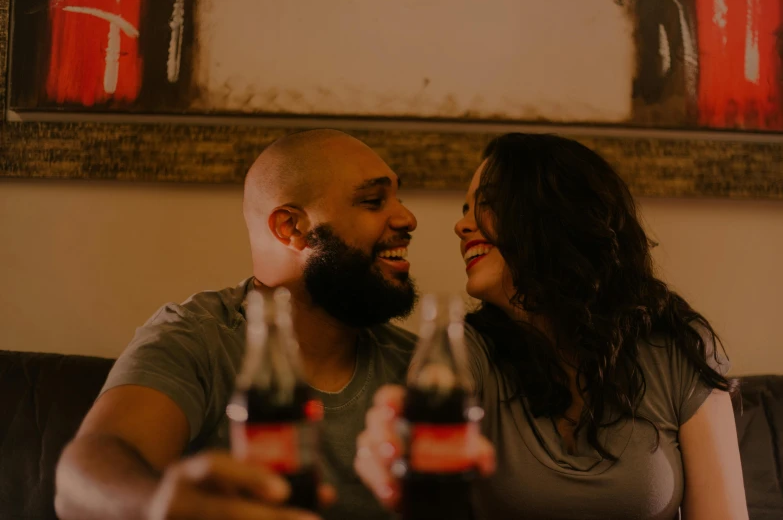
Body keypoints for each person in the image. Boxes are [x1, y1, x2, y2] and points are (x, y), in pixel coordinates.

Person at [355, 133, 749, 520]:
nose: (461, 225)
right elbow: (424, 421)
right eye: (464, 209)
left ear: (556, 215)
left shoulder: (677, 348)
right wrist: (397, 444)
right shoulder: (468, 350)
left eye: (487, 204)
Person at [54, 129, 420, 520]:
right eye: (373, 201)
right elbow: (83, 478)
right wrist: (156, 504)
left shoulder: (419, 366)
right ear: (291, 229)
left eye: (398, 197)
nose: (407, 218)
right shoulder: (197, 337)